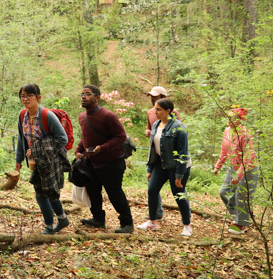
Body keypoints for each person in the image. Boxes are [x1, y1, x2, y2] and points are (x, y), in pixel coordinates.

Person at [75, 85, 134, 234]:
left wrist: (103, 147)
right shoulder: (82, 116)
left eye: (87, 94)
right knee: (93, 191)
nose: (83, 97)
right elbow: (85, 136)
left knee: (114, 193)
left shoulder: (108, 116)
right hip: (92, 163)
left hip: (112, 162)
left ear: (97, 97)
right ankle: (98, 219)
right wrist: (78, 150)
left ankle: (127, 223)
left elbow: (120, 137)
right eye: (82, 94)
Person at [15, 84, 70, 235]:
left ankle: (49, 227)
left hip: (51, 160)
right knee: (47, 191)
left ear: (38, 97)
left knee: (42, 193)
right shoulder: (22, 116)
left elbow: (62, 139)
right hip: (36, 161)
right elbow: (22, 139)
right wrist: (18, 159)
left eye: (29, 96)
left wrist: (38, 149)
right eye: (22, 96)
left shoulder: (47, 116)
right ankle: (62, 219)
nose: (25, 99)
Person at [137, 99, 193, 236]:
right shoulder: (156, 124)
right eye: (154, 109)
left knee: (178, 195)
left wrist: (179, 177)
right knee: (152, 190)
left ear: (168, 111)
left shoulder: (179, 128)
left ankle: (187, 225)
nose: (154, 112)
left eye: (158, 109)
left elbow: (183, 154)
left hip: (177, 167)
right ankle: (152, 221)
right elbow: (152, 149)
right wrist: (149, 169)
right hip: (160, 164)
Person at [214, 108, 258, 235]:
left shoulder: (245, 134)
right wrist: (218, 166)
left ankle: (241, 225)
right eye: (229, 117)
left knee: (241, 196)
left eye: (233, 118)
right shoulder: (227, 131)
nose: (229, 120)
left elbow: (248, 157)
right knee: (224, 192)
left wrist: (239, 175)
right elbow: (224, 151)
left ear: (239, 120)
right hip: (233, 167)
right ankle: (238, 217)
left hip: (248, 169)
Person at [144, 86, 180, 221]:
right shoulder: (150, 113)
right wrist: (147, 133)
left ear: (163, 97)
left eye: (155, 96)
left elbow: (179, 132)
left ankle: (185, 216)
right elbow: (149, 130)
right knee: (151, 185)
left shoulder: (173, 113)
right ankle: (157, 213)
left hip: (171, 157)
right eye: (151, 97)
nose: (152, 99)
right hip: (156, 155)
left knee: (177, 187)